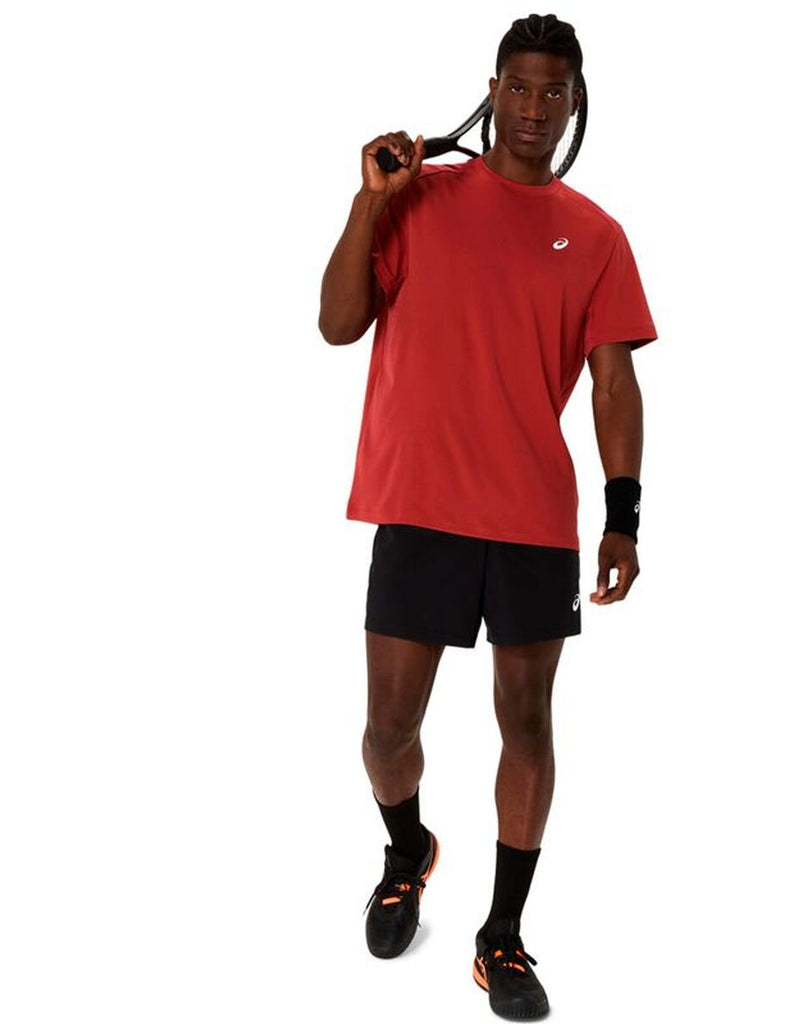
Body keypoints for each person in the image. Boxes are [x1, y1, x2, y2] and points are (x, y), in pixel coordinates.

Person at [319, 13, 657, 1020]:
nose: (533, 107)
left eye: (553, 91)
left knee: (527, 723)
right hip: (419, 504)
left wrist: (625, 514)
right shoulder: (418, 195)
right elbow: (337, 323)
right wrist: (367, 202)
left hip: (529, 517)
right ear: (493, 88)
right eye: (518, 86)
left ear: (576, 103)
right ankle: (407, 852)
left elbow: (613, 384)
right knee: (388, 729)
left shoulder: (595, 235)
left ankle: (501, 933)